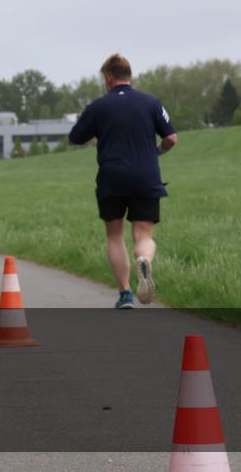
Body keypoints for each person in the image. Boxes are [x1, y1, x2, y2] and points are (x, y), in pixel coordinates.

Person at [69, 54, 178, 309]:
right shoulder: (151, 102)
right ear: (129, 75)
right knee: (143, 234)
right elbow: (171, 138)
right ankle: (144, 260)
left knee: (114, 235)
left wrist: (99, 136)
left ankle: (125, 293)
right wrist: (156, 151)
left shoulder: (98, 106)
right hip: (146, 176)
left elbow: (75, 137)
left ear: (108, 78)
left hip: (112, 177)